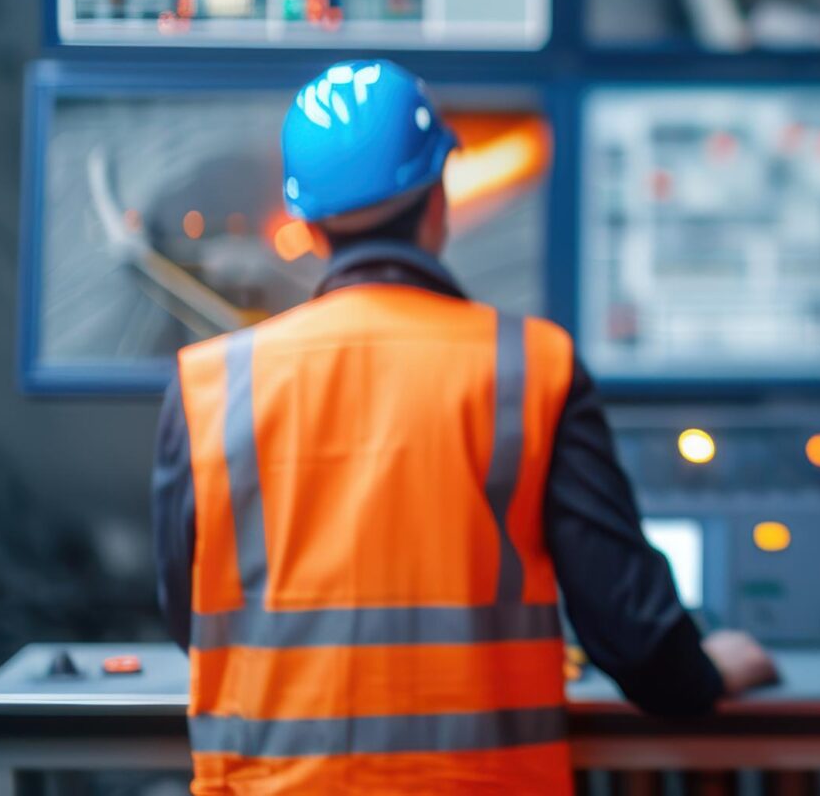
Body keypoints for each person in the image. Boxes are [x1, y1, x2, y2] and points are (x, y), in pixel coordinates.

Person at [151, 60, 775, 795]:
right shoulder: (531, 367)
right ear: (438, 198)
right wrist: (705, 671)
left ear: (309, 228)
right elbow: (631, 633)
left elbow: (194, 619)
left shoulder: (212, 384)